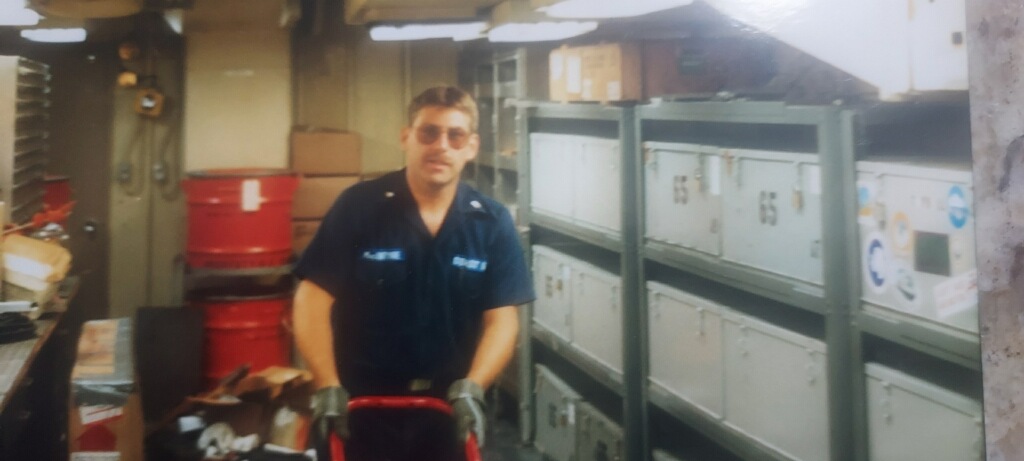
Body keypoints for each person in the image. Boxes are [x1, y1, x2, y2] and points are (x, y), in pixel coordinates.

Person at [292, 85, 535, 460]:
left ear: (471, 147)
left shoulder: (491, 222)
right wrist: (327, 385)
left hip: (448, 411)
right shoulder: (359, 207)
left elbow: (502, 320)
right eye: (429, 132)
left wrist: (475, 386)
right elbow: (312, 298)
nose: (441, 145)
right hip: (357, 409)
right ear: (407, 138)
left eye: (455, 136)